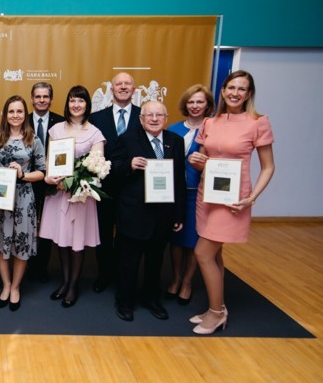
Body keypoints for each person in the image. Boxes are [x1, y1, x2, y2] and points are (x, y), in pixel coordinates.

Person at [189, 70, 274, 335]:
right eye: (231, 87)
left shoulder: (257, 122)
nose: (235, 93)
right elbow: (201, 157)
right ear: (223, 90)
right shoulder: (211, 122)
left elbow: (269, 167)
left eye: (242, 89)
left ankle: (216, 314)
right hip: (207, 196)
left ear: (249, 94)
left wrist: (251, 198)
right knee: (215, 254)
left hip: (233, 200)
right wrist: (196, 160)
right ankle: (217, 306)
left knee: (202, 253)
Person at [111, 101, 186, 322]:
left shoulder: (175, 141)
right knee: (129, 262)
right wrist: (129, 165)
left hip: (163, 213)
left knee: (155, 261)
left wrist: (179, 213)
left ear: (166, 117)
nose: (154, 119)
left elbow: (179, 179)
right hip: (134, 212)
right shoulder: (127, 139)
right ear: (141, 119)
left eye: (159, 115)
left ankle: (152, 299)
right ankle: (124, 302)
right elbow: (112, 170)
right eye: (149, 115)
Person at [40, 86, 105, 307]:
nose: (76, 105)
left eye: (81, 101)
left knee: (76, 241)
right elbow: (49, 160)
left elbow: (96, 165)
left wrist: (77, 181)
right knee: (62, 239)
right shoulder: (56, 129)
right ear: (67, 104)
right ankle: (65, 281)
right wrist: (52, 177)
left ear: (87, 105)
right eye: (72, 100)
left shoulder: (95, 132)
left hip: (80, 197)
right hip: (58, 193)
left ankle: (73, 285)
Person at [0, 96, 45, 311]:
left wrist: (22, 175)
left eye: (19, 111)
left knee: (20, 245)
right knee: (2, 242)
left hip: (23, 200)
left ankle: (16, 287)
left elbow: (42, 173)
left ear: (24, 114)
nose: (15, 115)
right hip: (0, 200)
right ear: (6, 115)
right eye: (11, 111)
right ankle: (6, 285)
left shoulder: (34, 140)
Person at [90, 72, 141, 293]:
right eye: (118, 84)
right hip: (104, 188)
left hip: (132, 187)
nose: (122, 87)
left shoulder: (144, 116)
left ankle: (123, 277)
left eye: (127, 84)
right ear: (111, 90)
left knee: (127, 235)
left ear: (134, 89)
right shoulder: (97, 118)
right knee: (102, 234)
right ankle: (104, 274)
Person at [165, 85, 214, 306]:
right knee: (176, 239)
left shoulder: (214, 130)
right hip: (175, 192)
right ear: (185, 104)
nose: (195, 106)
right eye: (191, 102)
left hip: (200, 193)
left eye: (200, 102)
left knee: (194, 241)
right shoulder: (173, 129)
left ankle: (187, 282)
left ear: (207, 105)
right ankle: (175, 279)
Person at [27, 83, 65, 283]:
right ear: (31, 99)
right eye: (38, 96)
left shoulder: (61, 122)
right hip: (26, 183)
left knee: (46, 228)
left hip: (52, 184)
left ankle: (41, 268)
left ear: (51, 99)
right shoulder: (21, 120)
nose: (41, 100)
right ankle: (26, 266)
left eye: (45, 96)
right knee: (27, 226)